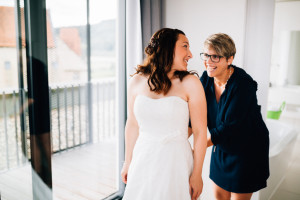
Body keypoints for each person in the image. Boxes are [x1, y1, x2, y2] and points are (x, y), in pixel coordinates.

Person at [121, 28, 207, 200]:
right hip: (143, 158)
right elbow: (132, 124)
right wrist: (127, 161)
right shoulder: (136, 81)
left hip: (176, 162)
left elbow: (200, 132)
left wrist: (197, 174)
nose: (190, 54)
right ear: (167, 48)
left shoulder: (191, 83)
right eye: (185, 46)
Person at [198, 33, 269, 200]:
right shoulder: (206, 79)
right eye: (206, 55)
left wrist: (197, 149)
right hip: (221, 147)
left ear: (229, 59)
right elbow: (195, 110)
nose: (208, 61)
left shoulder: (243, 85)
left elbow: (229, 127)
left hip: (247, 152)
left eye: (215, 56)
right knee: (220, 197)